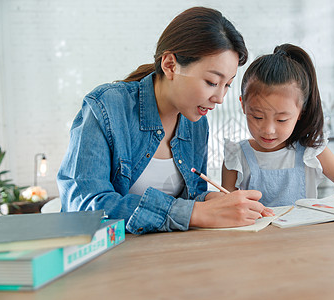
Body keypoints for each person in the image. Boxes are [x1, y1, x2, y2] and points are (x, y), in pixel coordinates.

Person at [57, 7, 275, 234]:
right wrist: (197, 213)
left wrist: (218, 201)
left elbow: (190, 194)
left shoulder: (196, 122)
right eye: (212, 82)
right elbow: (84, 207)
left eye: (227, 84)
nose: (219, 98)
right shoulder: (107, 107)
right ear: (170, 65)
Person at [222, 43, 334, 219]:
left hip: (306, 241)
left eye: (282, 119)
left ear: (300, 113)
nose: (268, 130)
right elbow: (226, 209)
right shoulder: (236, 156)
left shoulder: (311, 152)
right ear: (243, 105)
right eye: (257, 116)